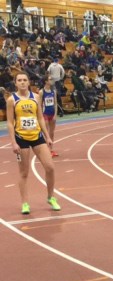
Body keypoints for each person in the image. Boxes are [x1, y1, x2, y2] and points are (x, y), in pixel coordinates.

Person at [7, 72, 61, 214]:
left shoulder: (36, 97)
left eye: (25, 80)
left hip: (37, 136)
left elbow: (40, 118)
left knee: (50, 167)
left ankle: (51, 197)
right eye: (20, 80)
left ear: (29, 82)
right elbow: (10, 123)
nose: (22, 82)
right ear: (15, 83)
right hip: (21, 138)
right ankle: (25, 203)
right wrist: (13, 142)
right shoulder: (12, 100)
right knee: (24, 172)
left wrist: (47, 136)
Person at [39, 75, 58, 157]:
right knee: (46, 133)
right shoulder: (41, 92)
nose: (52, 80)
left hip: (52, 113)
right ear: (46, 81)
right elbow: (39, 105)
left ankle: (51, 149)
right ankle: (46, 150)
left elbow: (56, 103)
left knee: (52, 133)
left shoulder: (53, 91)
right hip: (45, 114)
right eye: (50, 79)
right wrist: (40, 116)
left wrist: (55, 115)